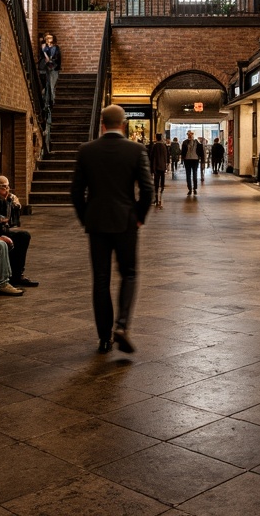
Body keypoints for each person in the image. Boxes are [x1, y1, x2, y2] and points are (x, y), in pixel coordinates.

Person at [71, 104, 154, 354]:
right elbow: (147, 190)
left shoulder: (86, 151)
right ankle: (122, 325)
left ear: (102, 124)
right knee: (128, 273)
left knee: (101, 279)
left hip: (97, 222)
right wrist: (139, 216)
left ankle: (104, 338)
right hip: (126, 220)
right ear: (124, 124)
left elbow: (76, 192)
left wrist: (86, 218)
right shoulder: (136, 149)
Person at [0, 175, 39, 287]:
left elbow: (13, 221)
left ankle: (17, 274)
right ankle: (15, 276)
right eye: (3, 187)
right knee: (22, 237)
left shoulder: (7, 200)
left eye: (7, 187)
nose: (6, 190)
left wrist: (15, 206)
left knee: (23, 236)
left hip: (2, 228)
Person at [39, 32, 61, 110]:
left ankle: (51, 101)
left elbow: (57, 58)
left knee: (51, 85)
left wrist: (51, 61)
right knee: (47, 86)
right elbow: (43, 57)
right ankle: (47, 101)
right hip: (45, 69)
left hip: (53, 69)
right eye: (47, 38)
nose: (48, 39)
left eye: (50, 38)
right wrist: (44, 51)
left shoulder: (56, 47)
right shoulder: (45, 47)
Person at [149, 133, 170, 208]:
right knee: (162, 180)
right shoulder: (164, 146)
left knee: (156, 181)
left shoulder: (154, 146)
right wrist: (167, 165)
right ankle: (161, 193)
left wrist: (151, 169)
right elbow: (167, 156)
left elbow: (151, 157)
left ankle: (156, 196)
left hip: (156, 166)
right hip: (163, 166)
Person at [181, 130, 203, 197]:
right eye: (189, 134)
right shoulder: (185, 142)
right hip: (187, 159)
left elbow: (200, 150)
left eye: (191, 134)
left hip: (195, 159)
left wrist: (201, 158)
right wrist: (183, 159)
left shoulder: (196, 142)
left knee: (195, 174)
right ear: (187, 135)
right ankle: (190, 189)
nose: (190, 135)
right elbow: (183, 152)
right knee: (188, 175)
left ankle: (195, 188)